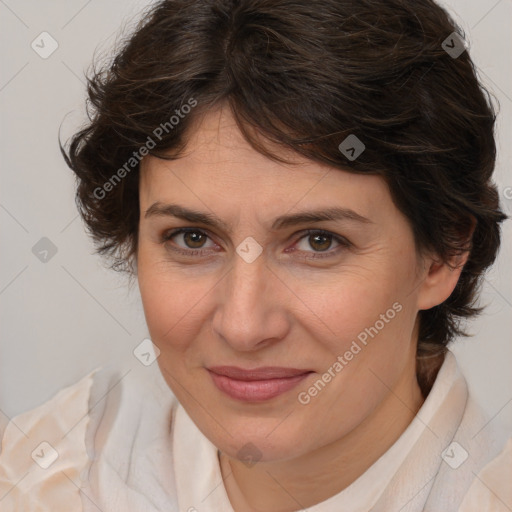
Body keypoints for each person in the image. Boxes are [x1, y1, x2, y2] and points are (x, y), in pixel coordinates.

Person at [0, 0, 510, 510]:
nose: (243, 327)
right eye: (193, 238)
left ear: (443, 254)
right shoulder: (38, 478)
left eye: (318, 241)